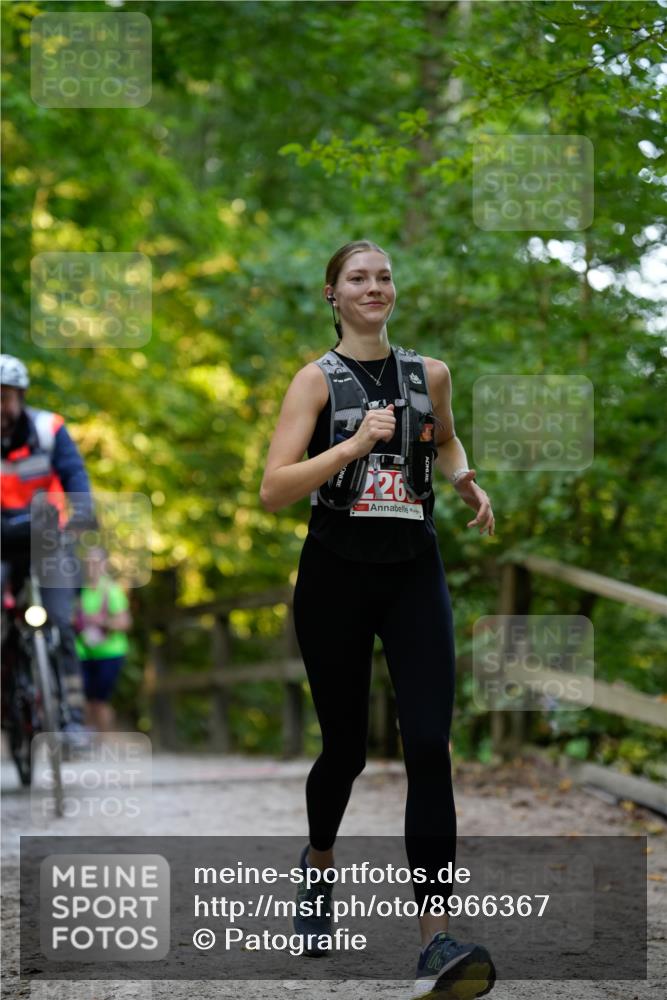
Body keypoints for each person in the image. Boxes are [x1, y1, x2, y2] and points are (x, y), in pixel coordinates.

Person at [260, 241, 496, 999]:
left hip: (411, 568)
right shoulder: (314, 381)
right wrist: (355, 443)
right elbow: (273, 487)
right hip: (334, 574)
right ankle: (319, 864)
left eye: (384, 276)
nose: (374, 287)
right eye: (357, 278)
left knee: (427, 742)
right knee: (345, 752)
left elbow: (446, 436)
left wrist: (462, 477)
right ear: (331, 293)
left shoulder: (431, 374)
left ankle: (435, 941)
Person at [1, 353, 95, 736]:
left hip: (47, 532)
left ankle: (72, 718)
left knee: (60, 620)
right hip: (2, 539)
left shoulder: (47, 428)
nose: (0, 406)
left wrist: (84, 512)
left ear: (21, 397)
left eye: (5, 397)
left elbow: (74, 472)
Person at [74, 546, 131, 734]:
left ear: (104, 564)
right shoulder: (80, 591)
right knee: (86, 700)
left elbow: (125, 622)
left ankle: (103, 741)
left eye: (95, 562)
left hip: (110, 652)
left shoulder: (112, 590)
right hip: (84, 652)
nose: (91, 566)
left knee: (100, 700)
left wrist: (103, 622)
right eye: (88, 562)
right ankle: (88, 740)